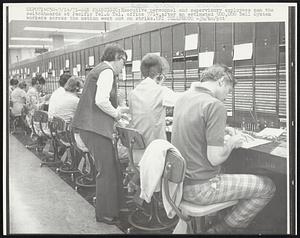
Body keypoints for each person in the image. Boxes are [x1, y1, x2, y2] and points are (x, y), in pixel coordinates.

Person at [171, 64, 276, 234]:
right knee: (267, 186)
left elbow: (194, 128)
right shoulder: (215, 105)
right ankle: (221, 230)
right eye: (228, 90)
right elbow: (215, 158)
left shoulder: (183, 98)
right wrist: (232, 143)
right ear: (221, 82)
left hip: (180, 185)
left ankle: (219, 221)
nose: (227, 97)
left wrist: (222, 130)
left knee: (231, 170)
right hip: (202, 188)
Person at [72, 44, 129, 224]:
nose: (123, 67)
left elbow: (99, 101)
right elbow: (101, 100)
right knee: (106, 171)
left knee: (111, 167)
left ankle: (116, 207)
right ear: (118, 58)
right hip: (93, 128)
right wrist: (117, 113)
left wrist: (115, 113)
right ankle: (104, 214)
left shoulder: (99, 70)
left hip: (91, 127)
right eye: (123, 62)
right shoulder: (107, 71)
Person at [128, 53, 182, 164]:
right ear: (159, 75)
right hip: (154, 153)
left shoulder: (133, 93)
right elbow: (183, 100)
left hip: (137, 151)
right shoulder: (160, 91)